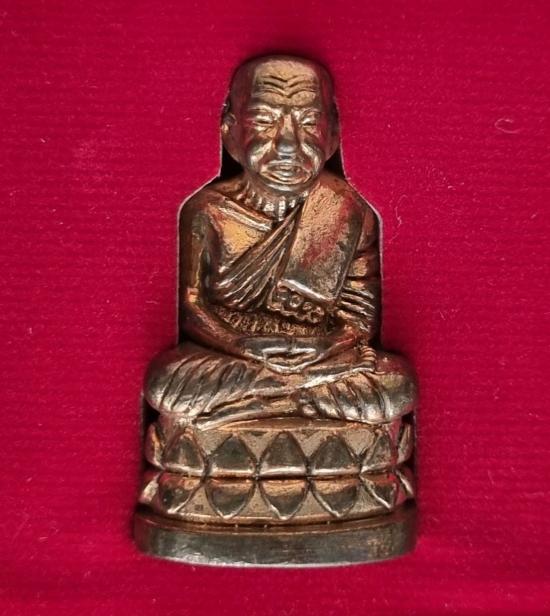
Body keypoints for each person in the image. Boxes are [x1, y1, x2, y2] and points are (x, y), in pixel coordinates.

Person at [145, 55, 416, 429]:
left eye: (308, 123)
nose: (288, 144)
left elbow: (359, 316)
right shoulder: (207, 212)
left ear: (333, 134)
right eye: (264, 121)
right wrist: (241, 344)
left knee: (396, 384)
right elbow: (192, 305)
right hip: (237, 353)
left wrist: (326, 347)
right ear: (230, 132)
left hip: (320, 353)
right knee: (166, 382)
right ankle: (297, 393)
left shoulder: (346, 209)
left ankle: (255, 402)